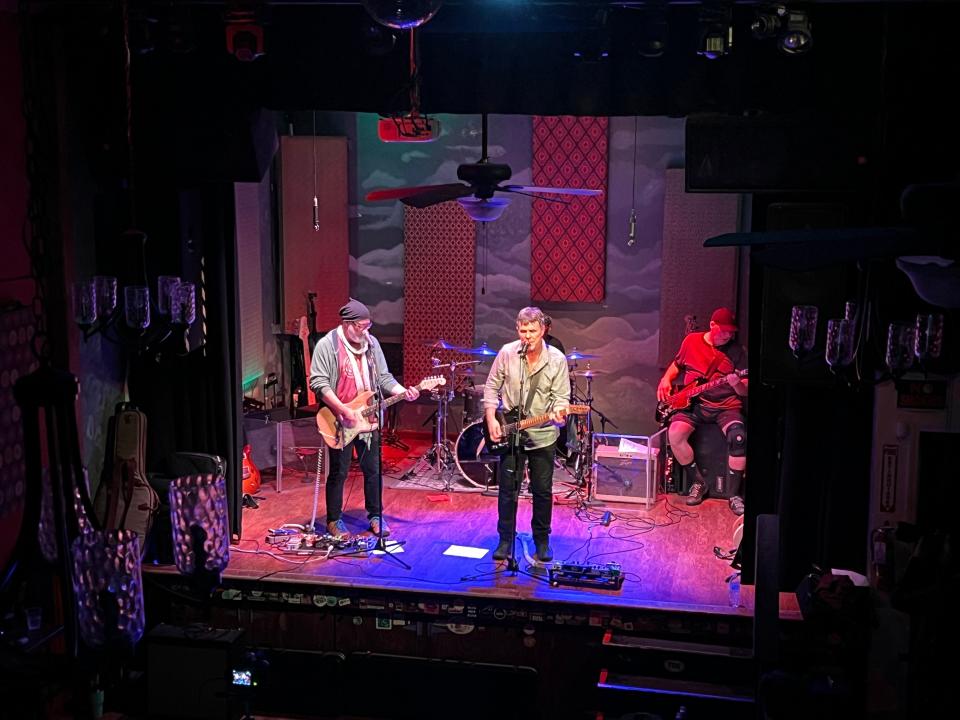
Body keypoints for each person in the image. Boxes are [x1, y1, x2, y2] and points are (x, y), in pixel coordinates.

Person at [309, 299, 420, 537]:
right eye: (360, 327)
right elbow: (318, 382)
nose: (365, 332)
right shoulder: (328, 345)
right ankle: (334, 519)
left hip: (368, 419)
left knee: (373, 470)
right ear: (347, 324)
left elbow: (384, 377)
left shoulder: (371, 344)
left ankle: (376, 515)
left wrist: (403, 392)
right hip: (340, 419)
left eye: (368, 326)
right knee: (339, 471)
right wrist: (342, 409)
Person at [484, 307, 570, 562]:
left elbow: (562, 397)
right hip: (511, 434)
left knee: (542, 490)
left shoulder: (556, 360)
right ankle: (505, 539)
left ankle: (542, 540)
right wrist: (491, 418)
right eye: (523, 331)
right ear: (517, 330)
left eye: (533, 331)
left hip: (543, 434)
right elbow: (491, 386)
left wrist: (559, 413)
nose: (528, 337)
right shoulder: (508, 353)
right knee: (507, 490)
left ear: (543, 330)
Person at [657, 307, 748, 516]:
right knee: (675, 434)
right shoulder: (691, 341)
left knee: (739, 438)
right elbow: (676, 364)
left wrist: (736, 385)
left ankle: (734, 494)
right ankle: (698, 483)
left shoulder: (738, 352)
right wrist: (666, 379)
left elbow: (745, 389)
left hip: (726, 406)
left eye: (731, 331)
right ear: (712, 326)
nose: (729, 334)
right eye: (724, 330)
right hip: (694, 404)